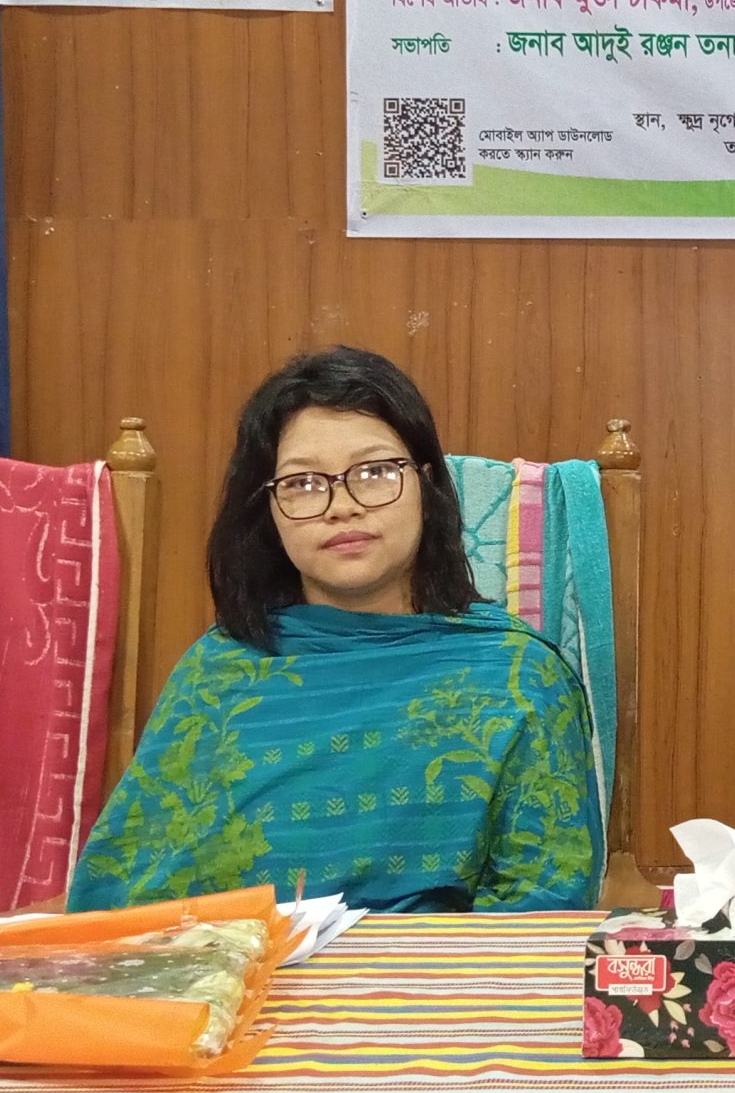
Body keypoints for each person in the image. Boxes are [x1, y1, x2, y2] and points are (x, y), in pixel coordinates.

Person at [70, 347, 601, 912]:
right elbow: (125, 903)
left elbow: (542, 907)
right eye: (302, 483)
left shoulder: (516, 679)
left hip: (438, 969)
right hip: (234, 965)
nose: (341, 506)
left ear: (427, 487)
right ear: (267, 511)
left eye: (374, 473)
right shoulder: (218, 673)